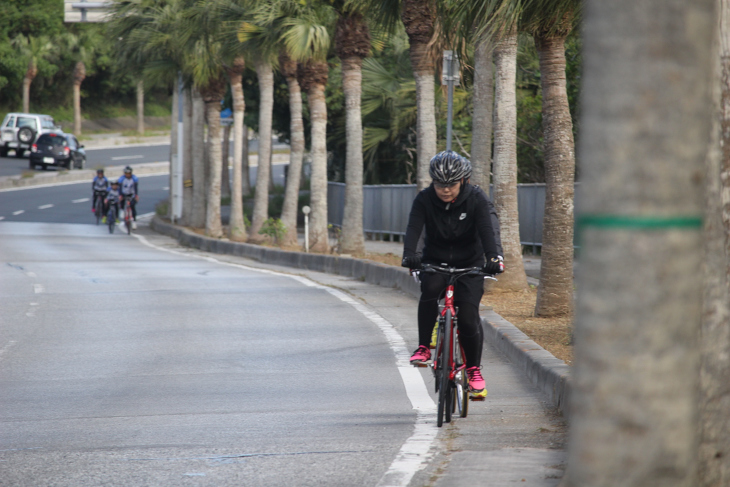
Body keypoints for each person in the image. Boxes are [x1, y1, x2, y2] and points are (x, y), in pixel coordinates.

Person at [401, 151, 504, 399]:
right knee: (430, 290)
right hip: (435, 260)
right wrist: (410, 255)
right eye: (439, 184)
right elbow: (414, 228)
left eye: (450, 184)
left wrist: (494, 258)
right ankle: (424, 347)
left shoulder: (477, 199)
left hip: (470, 264)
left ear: (464, 180)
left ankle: (474, 371)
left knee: (468, 316)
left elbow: (488, 231)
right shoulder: (425, 199)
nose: (445, 190)